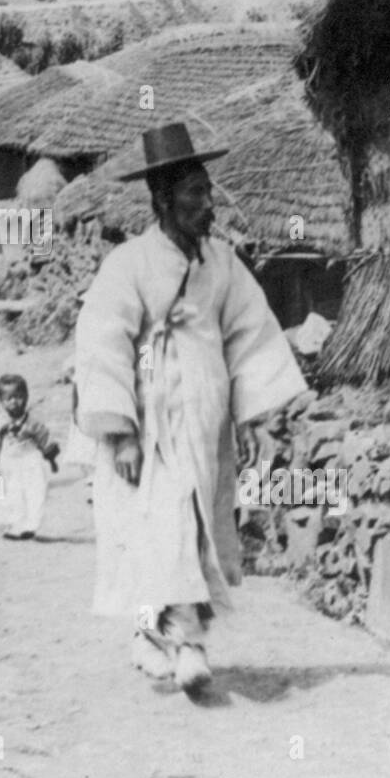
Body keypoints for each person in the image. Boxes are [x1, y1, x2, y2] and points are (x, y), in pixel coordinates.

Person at [73, 120, 307, 700]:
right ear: (162, 201)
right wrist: (120, 433)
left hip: (205, 419)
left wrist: (252, 416)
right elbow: (102, 343)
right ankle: (189, 642)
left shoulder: (221, 264)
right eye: (193, 195)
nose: (207, 206)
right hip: (150, 423)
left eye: (207, 192)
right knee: (167, 524)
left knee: (198, 527)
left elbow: (249, 337)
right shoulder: (128, 264)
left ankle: (154, 633)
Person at [0, 374, 59, 541]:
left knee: (32, 492)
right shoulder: (0, 422)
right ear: (1, 401)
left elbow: (44, 438)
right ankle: (11, 524)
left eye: (19, 397)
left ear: (26, 397)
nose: (14, 402)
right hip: (6, 463)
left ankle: (30, 525)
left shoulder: (33, 422)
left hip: (29, 460)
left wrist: (50, 457)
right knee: (3, 494)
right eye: (9, 399)